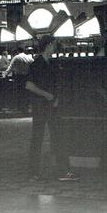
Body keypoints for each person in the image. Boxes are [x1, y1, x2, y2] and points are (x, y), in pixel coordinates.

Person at [25, 36, 75, 181]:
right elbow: (29, 85)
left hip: (50, 105)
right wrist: (47, 95)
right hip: (41, 105)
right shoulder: (37, 64)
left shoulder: (50, 63)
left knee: (52, 137)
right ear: (48, 45)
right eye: (53, 45)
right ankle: (41, 172)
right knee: (41, 138)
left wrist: (55, 97)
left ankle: (59, 171)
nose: (54, 48)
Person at [6, 46, 33, 113]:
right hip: (28, 77)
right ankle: (27, 108)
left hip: (19, 77)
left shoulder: (16, 57)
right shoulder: (29, 58)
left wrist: (5, 74)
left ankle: (21, 108)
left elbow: (10, 68)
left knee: (19, 92)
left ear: (17, 51)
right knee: (26, 93)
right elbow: (34, 67)